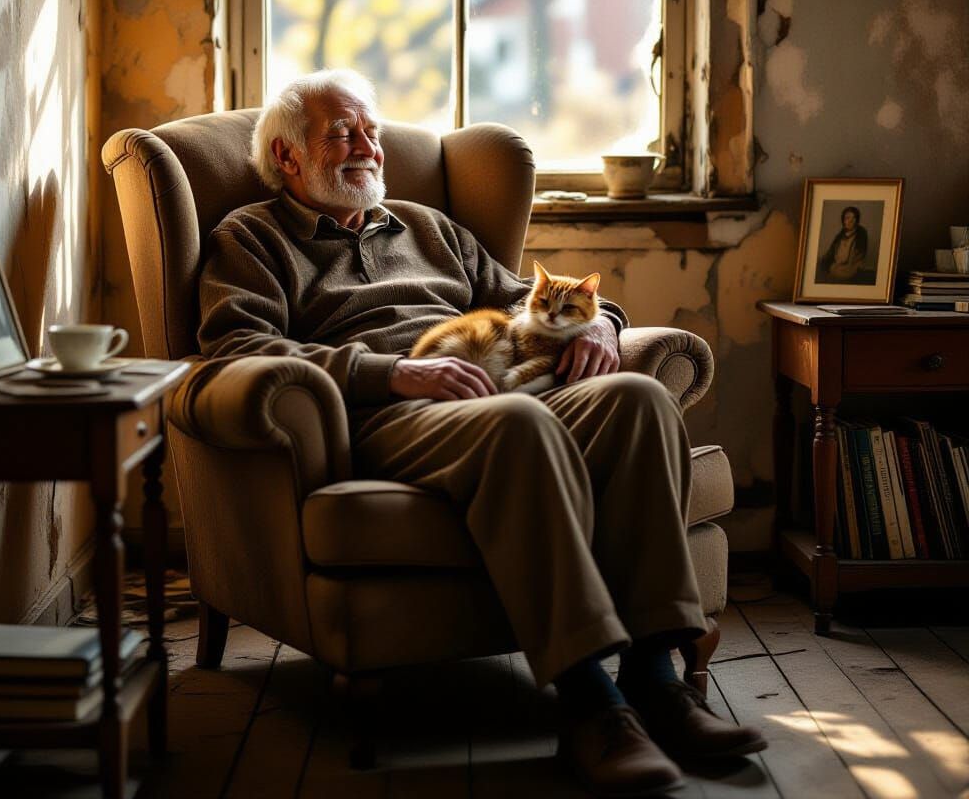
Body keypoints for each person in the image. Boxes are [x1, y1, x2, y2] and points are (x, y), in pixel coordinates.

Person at [197, 69, 766, 795]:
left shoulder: (430, 228)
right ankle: (591, 707)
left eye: (370, 130)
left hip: (492, 393)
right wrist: (393, 373)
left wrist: (605, 327)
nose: (367, 146)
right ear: (287, 156)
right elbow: (236, 349)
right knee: (519, 420)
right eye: (342, 133)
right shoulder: (250, 237)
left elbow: (530, 297)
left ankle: (656, 680)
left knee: (638, 399)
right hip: (381, 418)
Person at [818, 206, 870, 283]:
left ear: (857, 220)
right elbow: (831, 254)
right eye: (847, 218)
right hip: (836, 267)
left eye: (853, 218)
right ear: (843, 220)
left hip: (850, 269)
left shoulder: (861, 235)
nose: (850, 221)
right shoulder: (840, 236)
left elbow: (857, 259)